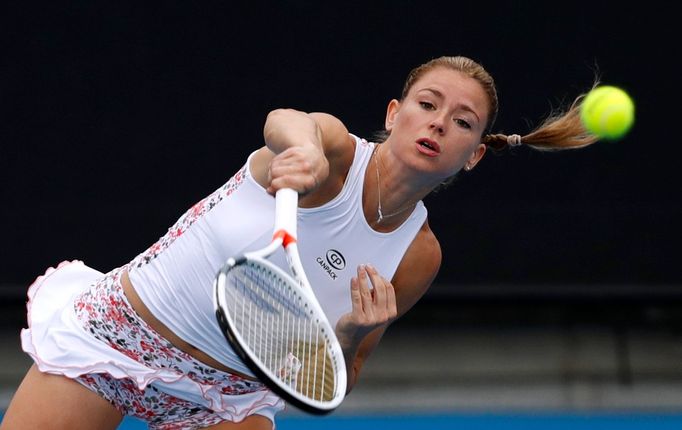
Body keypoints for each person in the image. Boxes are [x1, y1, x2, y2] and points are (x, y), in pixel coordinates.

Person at [1, 55, 599, 430]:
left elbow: (330, 381)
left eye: (463, 122)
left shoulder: (418, 255)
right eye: (427, 104)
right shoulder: (334, 153)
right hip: (123, 334)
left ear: (472, 158)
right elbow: (288, 119)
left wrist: (351, 334)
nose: (439, 122)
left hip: (226, 398)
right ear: (394, 114)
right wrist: (305, 148)